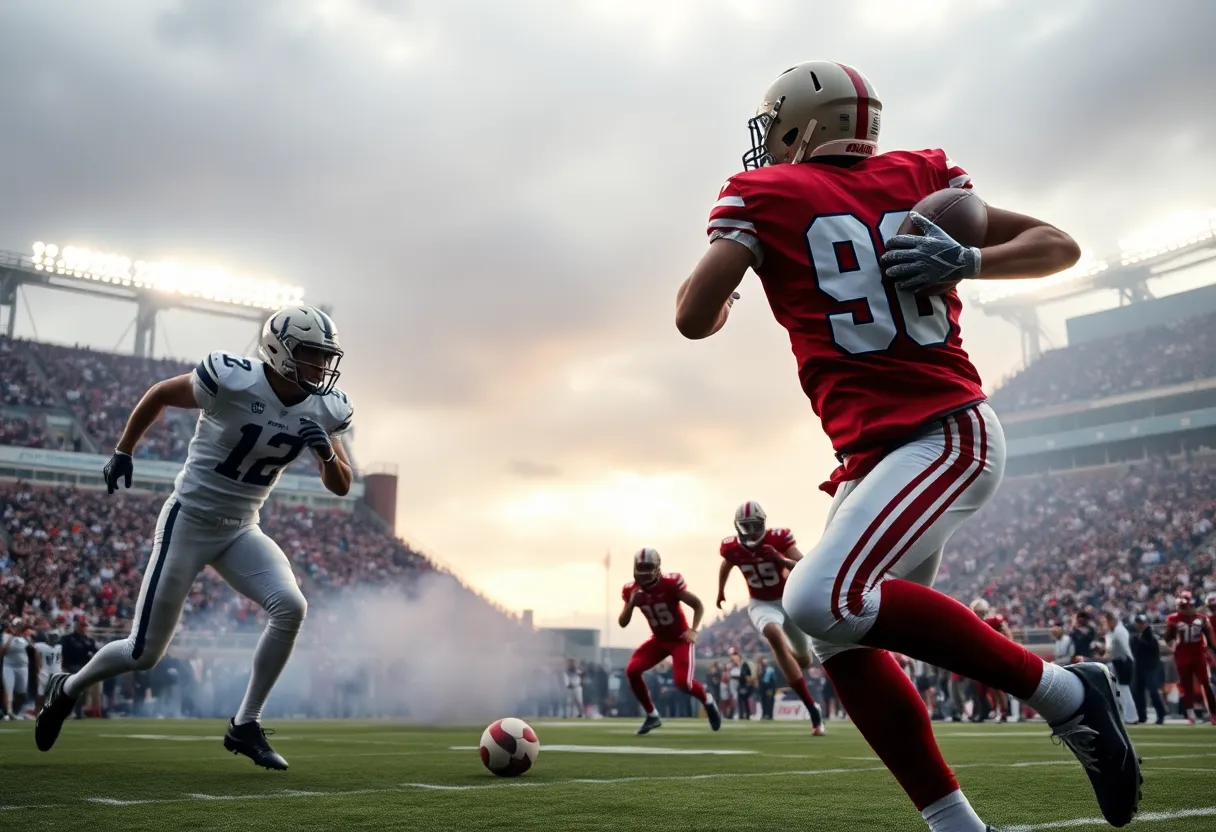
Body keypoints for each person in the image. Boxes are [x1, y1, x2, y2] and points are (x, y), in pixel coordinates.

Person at [674, 59, 1139, 830]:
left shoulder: (764, 192)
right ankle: (958, 826)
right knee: (836, 638)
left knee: (817, 598)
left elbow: (692, 314)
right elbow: (1061, 244)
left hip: (939, 432)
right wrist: (972, 262)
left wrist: (725, 305)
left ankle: (1067, 691)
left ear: (800, 126)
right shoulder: (926, 176)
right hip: (883, 458)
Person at [36, 305, 354, 770]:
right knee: (144, 653)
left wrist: (327, 453)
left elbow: (342, 484)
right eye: (310, 354)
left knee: (292, 605)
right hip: (189, 521)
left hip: (243, 527)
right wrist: (124, 449)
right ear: (280, 349)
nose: (321, 367)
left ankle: (245, 724)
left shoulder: (324, 407)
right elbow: (161, 393)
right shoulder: (233, 379)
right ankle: (67, 687)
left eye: (325, 357)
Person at [717, 500, 825, 733]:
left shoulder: (778, 539)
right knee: (773, 633)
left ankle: (789, 654)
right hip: (760, 603)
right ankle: (812, 709)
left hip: (788, 600)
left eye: (756, 526)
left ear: (764, 523)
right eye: (747, 527)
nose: (752, 532)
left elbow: (806, 566)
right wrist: (720, 590)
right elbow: (726, 564)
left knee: (805, 661)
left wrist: (780, 559)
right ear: (738, 527)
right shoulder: (732, 547)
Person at [619, 548, 723, 735]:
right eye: (640, 567)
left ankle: (707, 700)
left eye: (648, 567)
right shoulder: (631, 590)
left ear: (657, 568)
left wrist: (693, 630)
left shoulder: (670, 583)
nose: (643, 571)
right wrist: (631, 603)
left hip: (680, 640)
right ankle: (652, 715)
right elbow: (623, 623)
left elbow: (697, 605)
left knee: (683, 683)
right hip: (659, 640)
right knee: (632, 670)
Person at [1164, 591, 1216, 725]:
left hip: (1194, 655)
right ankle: (1193, 714)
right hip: (1186, 655)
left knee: (1204, 684)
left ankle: (1209, 714)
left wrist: (1211, 649)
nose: (1182, 608)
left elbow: (1211, 640)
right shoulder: (1175, 618)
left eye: (1184, 605)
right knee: (1190, 686)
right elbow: (1168, 638)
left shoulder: (1200, 618)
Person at [1100, 612, 1138, 724]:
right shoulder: (1114, 632)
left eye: (1105, 623)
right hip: (1119, 662)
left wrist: (1104, 654)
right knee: (1120, 691)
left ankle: (1131, 717)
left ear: (1111, 621)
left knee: (1124, 690)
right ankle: (1128, 716)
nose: (1103, 625)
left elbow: (1112, 650)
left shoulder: (1118, 632)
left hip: (1123, 662)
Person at [1129, 614, 1165, 725]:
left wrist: (1140, 642)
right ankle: (1141, 716)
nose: (1140, 625)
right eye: (1138, 623)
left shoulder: (1151, 635)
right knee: (1138, 693)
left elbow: (1153, 648)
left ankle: (1160, 714)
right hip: (1139, 667)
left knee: (1153, 692)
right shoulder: (1134, 635)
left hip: (1151, 667)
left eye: (1142, 623)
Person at [2, 618, 33, 719]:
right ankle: (8, 712)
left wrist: (27, 637)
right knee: (9, 688)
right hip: (9, 666)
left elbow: (33, 647)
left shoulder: (24, 638)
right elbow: (3, 651)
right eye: (18, 627)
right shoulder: (6, 636)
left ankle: (15, 712)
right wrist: (12, 636)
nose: (20, 629)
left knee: (21, 691)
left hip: (22, 667)